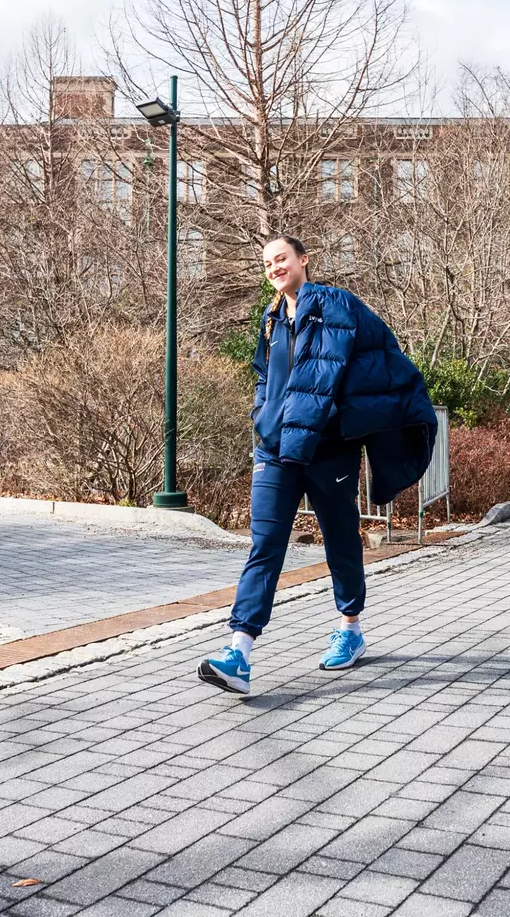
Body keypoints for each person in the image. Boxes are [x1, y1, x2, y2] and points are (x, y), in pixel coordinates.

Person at [196, 234, 437, 695]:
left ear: (303, 260)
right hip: (276, 449)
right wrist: (262, 414)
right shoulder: (270, 320)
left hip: (329, 449)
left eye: (281, 258)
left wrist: (351, 412)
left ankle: (350, 629)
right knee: (265, 545)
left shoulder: (335, 304)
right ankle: (239, 652)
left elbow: (380, 356)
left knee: (341, 539)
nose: (274, 267)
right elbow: (266, 376)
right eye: (267, 262)